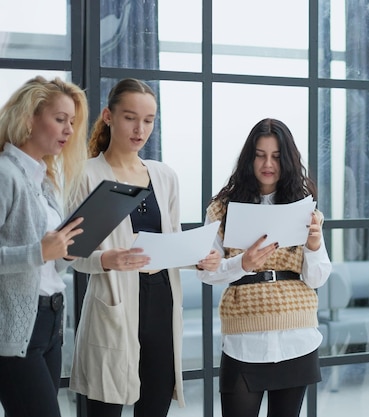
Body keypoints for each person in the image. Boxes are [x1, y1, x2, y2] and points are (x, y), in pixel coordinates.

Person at [68, 78, 220, 417]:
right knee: (104, 401)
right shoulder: (86, 175)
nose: (140, 129)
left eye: (149, 120)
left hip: (162, 298)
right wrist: (107, 259)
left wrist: (197, 258)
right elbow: (73, 255)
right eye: (130, 118)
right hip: (116, 299)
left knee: (155, 402)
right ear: (108, 116)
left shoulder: (164, 176)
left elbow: (172, 240)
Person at [197, 118, 331, 417]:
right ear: (249, 158)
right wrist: (242, 263)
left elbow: (317, 277)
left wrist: (315, 245)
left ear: (288, 160)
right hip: (245, 340)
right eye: (260, 155)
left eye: (276, 156)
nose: (267, 163)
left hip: (297, 336)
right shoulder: (222, 207)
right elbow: (206, 272)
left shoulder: (303, 204)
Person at [0, 76, 88, 417]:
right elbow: (36, 253)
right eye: (59, 119)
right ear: (29, 117)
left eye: (72, 122)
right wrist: (39, 252)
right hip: (16, 327)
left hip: (51, 320)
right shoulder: (6, 174)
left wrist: (63, 254)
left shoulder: (46, 181)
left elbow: (48, 261)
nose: (68, 130)